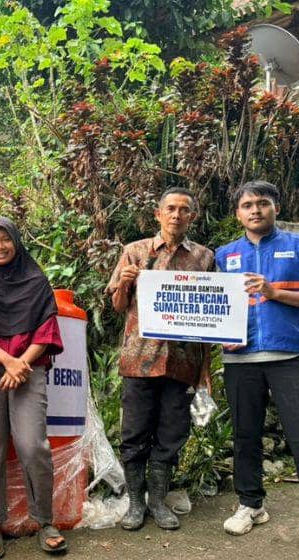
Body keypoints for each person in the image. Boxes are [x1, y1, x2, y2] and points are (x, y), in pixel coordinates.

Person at [216, 180, 299, 557]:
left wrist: (275, 292)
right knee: (245, 437)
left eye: (262, 203)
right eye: (247, 205)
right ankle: (250, 505)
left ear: (276, 207)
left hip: (290, 356)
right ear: (237, 213)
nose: (255, 210)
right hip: (240, 358)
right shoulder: (224, 255)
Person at [107, 187, 214, 531]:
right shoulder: (134, 252)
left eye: (184, 210)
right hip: (139, 359)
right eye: (170, 208)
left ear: (192, 217)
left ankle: (158, 501)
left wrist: (205, 370)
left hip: (183, 363)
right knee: (134, 433)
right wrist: (124, 284)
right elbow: (118, 307)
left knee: (171, 434)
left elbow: (211, 317)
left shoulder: (204, 258)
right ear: (158, 214)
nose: (176, 215)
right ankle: (136, 504)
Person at [0, 217, 66, 558]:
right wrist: (7, 361)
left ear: (16, 241)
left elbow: (46, 327)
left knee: (32, 445)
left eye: (5, 239)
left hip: (29, 368)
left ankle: (45, 520)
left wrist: (21, 363)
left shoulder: (36, 279)